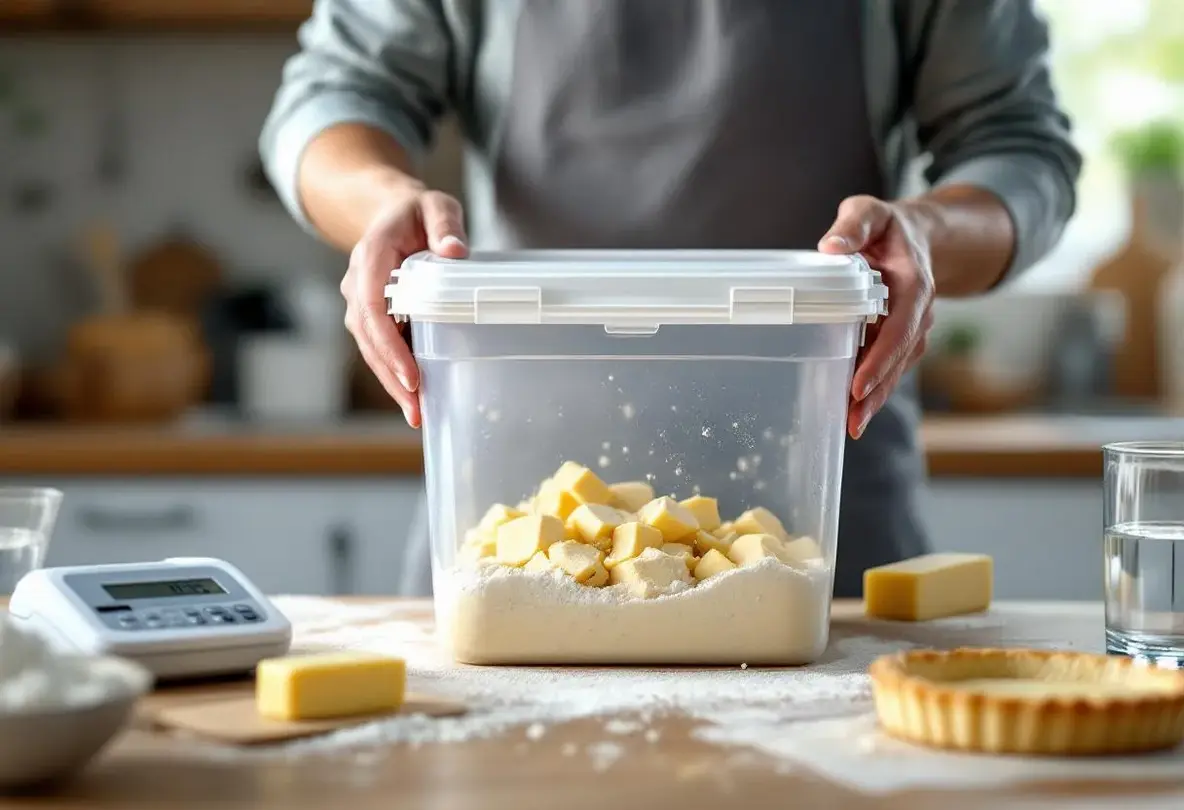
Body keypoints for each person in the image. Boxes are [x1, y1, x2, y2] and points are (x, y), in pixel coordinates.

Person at [259, 0, 1081, 598]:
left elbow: (1021, 149)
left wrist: (928, 233)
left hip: (826, 517)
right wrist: (378, 202)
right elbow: (333, 96)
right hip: (511, 523)